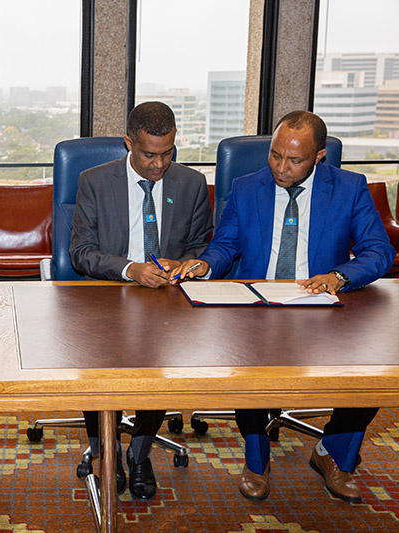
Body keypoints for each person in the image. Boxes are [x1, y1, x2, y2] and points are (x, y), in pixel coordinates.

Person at [172, 110, 395, 503]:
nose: (281, 167)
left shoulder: (349, 187)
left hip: (322, 304)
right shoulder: (245, 187)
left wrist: (339, 276)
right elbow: (225, 246)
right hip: (258, 307)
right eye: (275, 155)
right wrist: (206, 264)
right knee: (247, 365)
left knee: (375, 371)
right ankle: (257, 461)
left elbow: (379, 252)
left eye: (295, 160)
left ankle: (333, 452)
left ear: (320, 156)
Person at [70, 101, 213, 498]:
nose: (158, 164)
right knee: (95, 366)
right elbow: (80, 252)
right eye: (149, 154)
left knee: (159, 367)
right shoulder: (94, 181)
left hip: (165, 301)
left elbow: (203, 245)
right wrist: (130, 269)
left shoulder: (191, 184)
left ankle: (140, 452)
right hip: (106, 296)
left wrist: (185, 264)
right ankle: (107, 449)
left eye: (168, 153)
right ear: (128, 143)